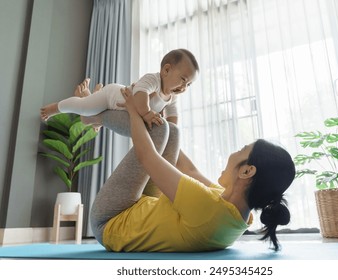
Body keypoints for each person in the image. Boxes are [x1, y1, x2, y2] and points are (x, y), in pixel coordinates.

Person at [89, 86, 296, 252]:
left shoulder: (206, 207)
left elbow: (147, 157)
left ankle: (92, 116)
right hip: (140, 209)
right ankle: (94, 110)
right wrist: (165, 115)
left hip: (111, 221)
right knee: (168, 130)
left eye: (241, 150)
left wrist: (135, 110)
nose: (233, 153)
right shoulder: (237, 215)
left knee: (159, 130)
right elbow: (189, 170)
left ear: (247, 172)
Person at [40, 48, 199, 129]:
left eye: (188, 85)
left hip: (121, 110)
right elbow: (140, 93)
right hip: (112, 96)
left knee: (92, 117)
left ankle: (91, 95)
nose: (184, 87)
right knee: (85, 108)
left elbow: (173, 116)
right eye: (183, 80)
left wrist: (171, 129)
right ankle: (56, 107)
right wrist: (147, 113)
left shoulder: (172, 97)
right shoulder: (154, 80)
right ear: (166, 70)